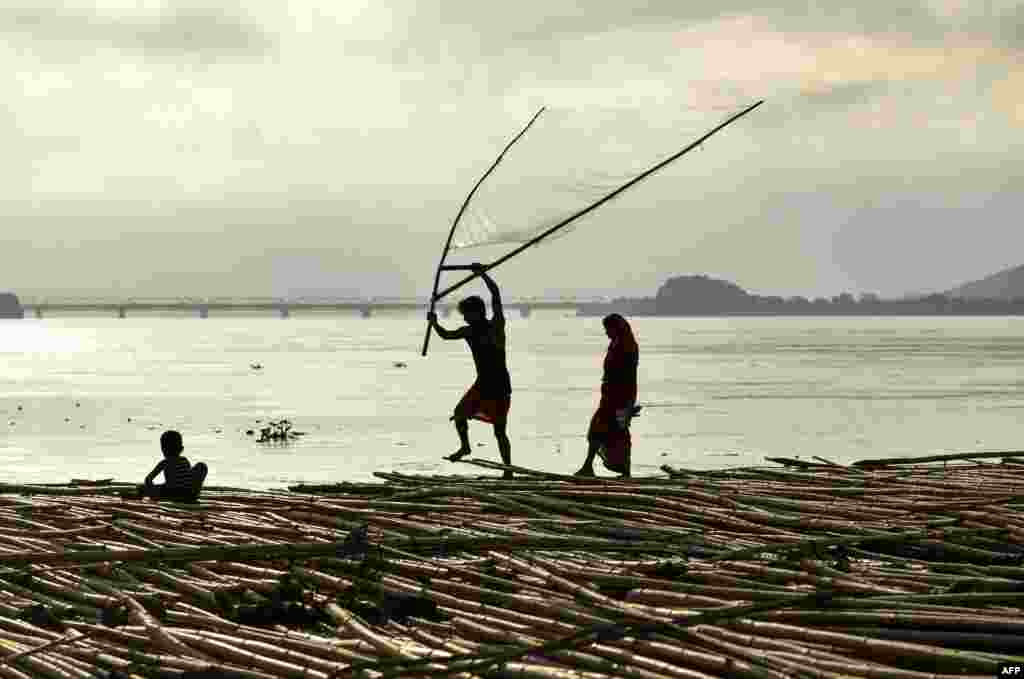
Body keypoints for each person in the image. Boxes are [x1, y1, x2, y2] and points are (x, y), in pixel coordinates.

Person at [427, 263, 513, 479]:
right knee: (459, 415)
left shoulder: (496, 326)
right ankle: (465, 446)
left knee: (500, 431)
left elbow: (495, 294)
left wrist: (482, 274)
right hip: (482, 383)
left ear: (477, 313)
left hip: (500, 385)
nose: (464, 318)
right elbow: (446, 335)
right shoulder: (468, 331)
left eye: (467, 314)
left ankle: (508, 470)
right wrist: (434, 323)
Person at [575, 314, 640, 478]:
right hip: (610, 397)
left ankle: (622, 471)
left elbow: (628, 376)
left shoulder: (627, 346)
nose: (606, 333)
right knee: (603, 431)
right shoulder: (617, 343)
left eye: (607, 329)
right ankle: (590, 467)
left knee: (616, 432)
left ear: (615, 327)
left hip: (620, 398)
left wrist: (628, 404)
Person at [138, 430, 208, 502]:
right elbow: (185, 479)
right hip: (188, 492)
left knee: (142, 488)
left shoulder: (165, 462)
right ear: (181, 449)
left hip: (173, 493)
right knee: (201, 465)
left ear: (163, 450)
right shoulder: (184, 460)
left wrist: (151, 489)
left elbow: (148, 479)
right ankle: (193, 493)